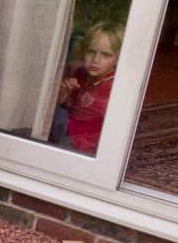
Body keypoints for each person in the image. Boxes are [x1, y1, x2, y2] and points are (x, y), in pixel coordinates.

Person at [49, 21, 124, 154]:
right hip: (69, 131)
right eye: (91, 52)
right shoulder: (81, 74)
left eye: (106, 55)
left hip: (84, 144)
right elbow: (69, 106)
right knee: (49, 105)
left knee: (48, 108)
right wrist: (64, 94)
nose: (96, 59)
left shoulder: (114, 87)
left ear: (119, 58)